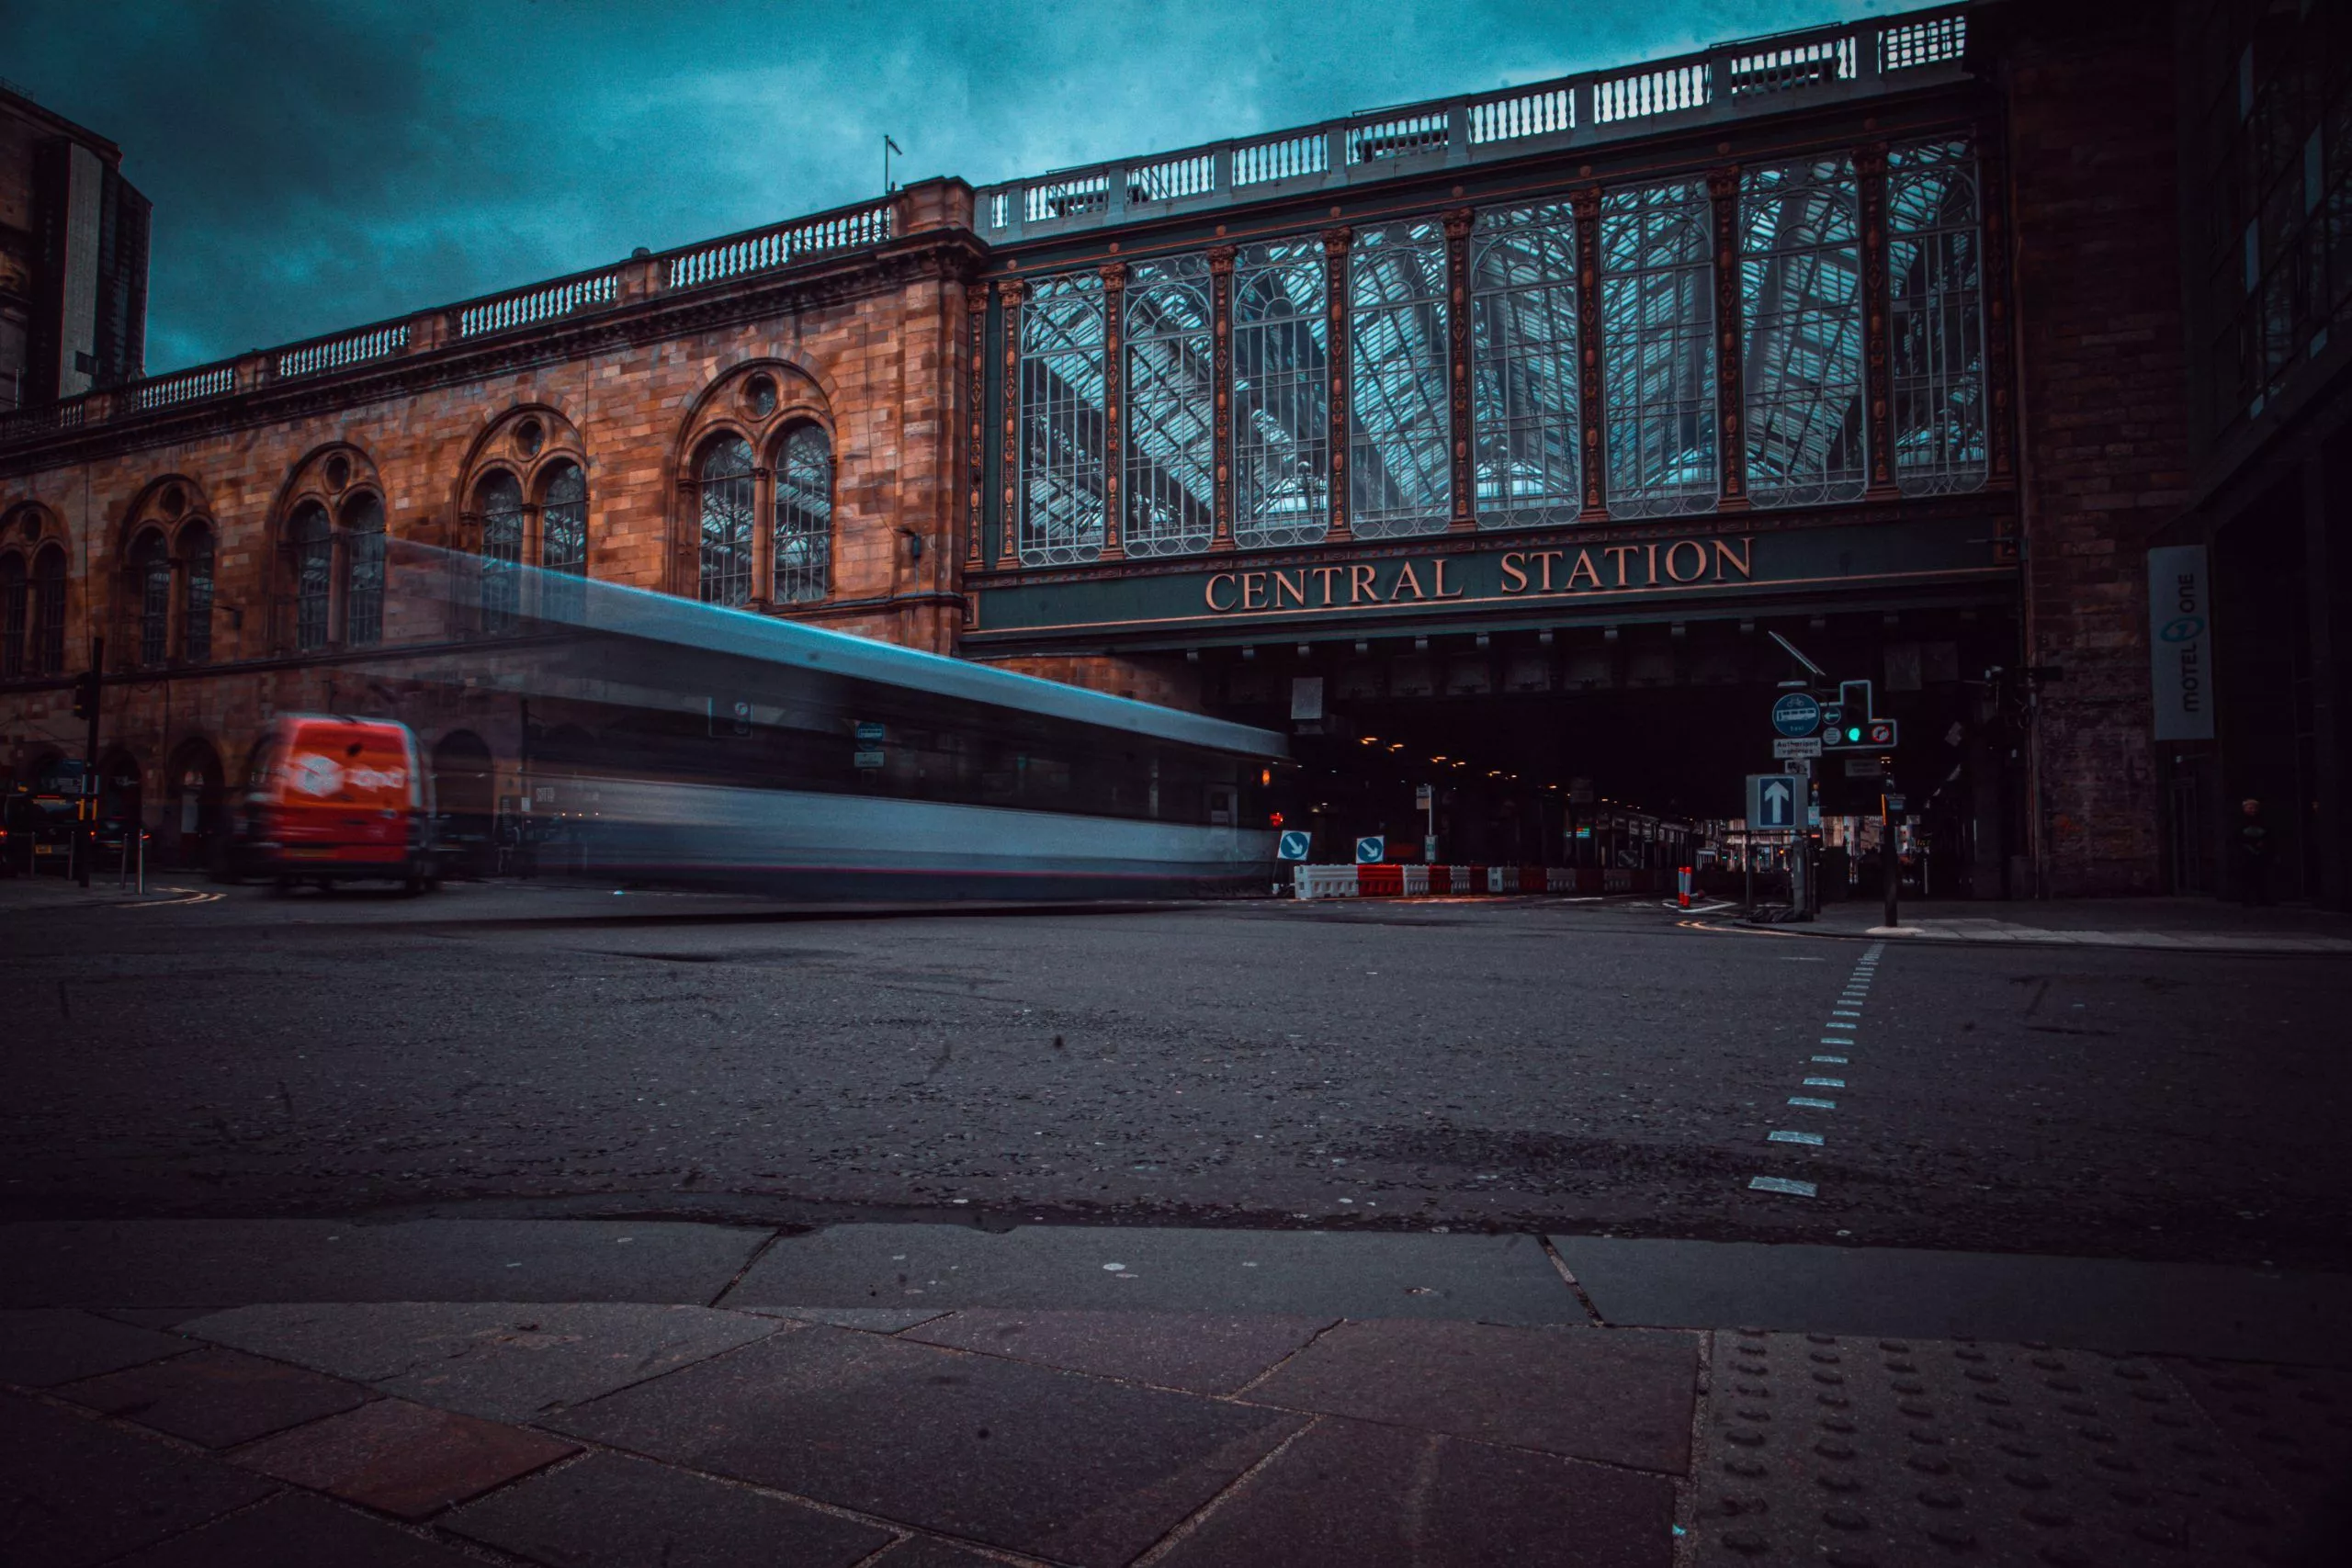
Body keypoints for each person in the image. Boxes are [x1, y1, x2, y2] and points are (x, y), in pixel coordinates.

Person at [2236, 797, 2270, 906]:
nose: (2253, 810)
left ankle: (2262, 898)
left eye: (2254, 808)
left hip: (2259, 852)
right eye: (2250, 808)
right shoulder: (2240, 821)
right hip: (2245, 853)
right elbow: (2236, 836)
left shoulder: (2262, 820)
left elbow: (2268, 834)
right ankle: (2246, 899)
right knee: (2247, 877)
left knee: (2260, 876)